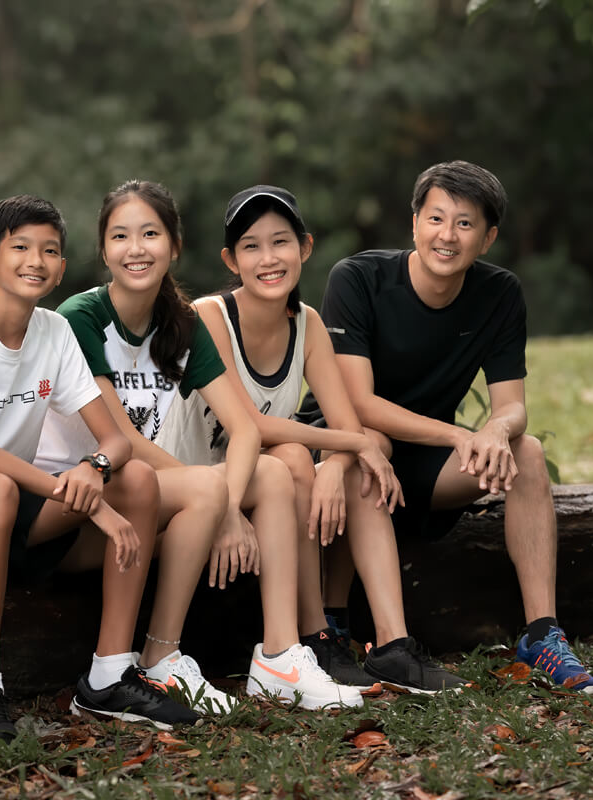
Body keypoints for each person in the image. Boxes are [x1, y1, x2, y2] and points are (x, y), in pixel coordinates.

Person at [0, 194, 199, 742]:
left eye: (50, 251)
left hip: (6, 510)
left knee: (138, 478)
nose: (35, 260)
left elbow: (115, 440)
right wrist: (92, 506)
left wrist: (93, 469)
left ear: (62, 268)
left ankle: (110, 674)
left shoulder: (54, 331)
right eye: (19, 247)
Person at [39, 179, 362, 711]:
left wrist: (228, 505)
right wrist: (219, 505)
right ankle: (158, 657)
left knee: (276, 473)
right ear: (103, 250)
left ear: (174, 245)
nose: (136, 248)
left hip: (156, 503)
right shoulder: (83, 317)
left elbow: (247, 428)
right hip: (85, 514)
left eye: (150, 233)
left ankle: (279, 656)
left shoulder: (182, 325)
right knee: (208, 489)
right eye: (121, 236)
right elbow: (119, 439)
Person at [314, 160, 593, 694]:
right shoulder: (357, 279)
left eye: (465, 223)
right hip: (342, 439)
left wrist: (497, 430)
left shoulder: (499, 294)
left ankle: (542, 634)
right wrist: (459, 434)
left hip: (424, 459)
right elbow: (357, 404)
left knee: (529, 452)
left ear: (488, 238)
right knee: (367, 447)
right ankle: (367, 636)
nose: (447, 236)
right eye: (436, 218)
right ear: (415, 221)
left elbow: (512, 406)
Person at [194, 185, 466, 694]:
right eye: (252, 246)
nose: (269, 258)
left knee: (353, 462)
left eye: (281, 242)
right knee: (299, 453)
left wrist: (343, 461)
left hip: (264, 482)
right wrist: (352, 445)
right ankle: (313, 633)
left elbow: (353, 430)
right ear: (231, 259)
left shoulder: (309, 325)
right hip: (203, 477)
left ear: (306, 247)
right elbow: (248, 424)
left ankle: (392, 646)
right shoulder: (210, 316)